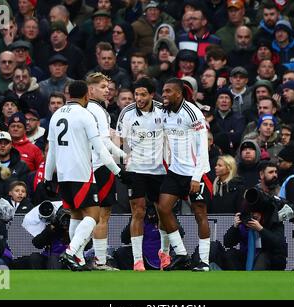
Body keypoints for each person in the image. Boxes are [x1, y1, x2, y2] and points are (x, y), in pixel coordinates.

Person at [45, 80, 129, 271]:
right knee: (93, 214)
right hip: (81, 173)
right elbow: (100, 148)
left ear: (68, 96)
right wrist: (118, 171)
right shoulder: (85, 114)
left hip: (63, 174)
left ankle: (79, 259)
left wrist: (47, 178)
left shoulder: (56, 115)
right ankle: (71, 251)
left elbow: (51, 151)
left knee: (76, 215)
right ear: (86, 96)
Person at [157, 78, 211, 271]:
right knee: (163, 209)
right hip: (175, 171)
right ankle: (181, 254)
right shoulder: (164, 112)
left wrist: (197, 177)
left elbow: (203, 147)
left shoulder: (192, 112)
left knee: (199, 214)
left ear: (179, 94)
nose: (164, 95)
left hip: (195, 173)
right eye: (163, 91)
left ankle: (204, 261)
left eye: (168, 91)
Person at [116, 77, 165, 271]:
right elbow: (120, 140)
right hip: (136, 169)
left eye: (143, 94)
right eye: (137, 94)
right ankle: (138, 260)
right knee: (138, 211)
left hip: (159, 170)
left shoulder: (163, 111)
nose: (139, 98)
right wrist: (123, 162)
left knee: (163, 212)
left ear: (152, 94)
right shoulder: (127, 113)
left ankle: (165, 255)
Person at [85, 72, 128, 271]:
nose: (107, 90)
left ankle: (76, 256)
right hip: (100, 166)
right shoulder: (99, 111)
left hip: (84, 167)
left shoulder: (83, 109)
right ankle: (100, 261)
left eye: (108, 86)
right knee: (102, 215)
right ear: (91, 89)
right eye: (102, 87)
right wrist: (122, 158)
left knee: (83, 215)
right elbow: (104, 144)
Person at [222, 188, 288, 270]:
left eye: (256, 214)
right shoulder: (244, 221)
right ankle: (238, 279)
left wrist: (261, 229)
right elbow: (227, 243)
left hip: (270, 258)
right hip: (247, 255)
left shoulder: (273, 221)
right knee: (230, 254)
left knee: (263, 257)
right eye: (251, 213)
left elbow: (278, 243)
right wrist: (235, 227)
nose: (253, 216)